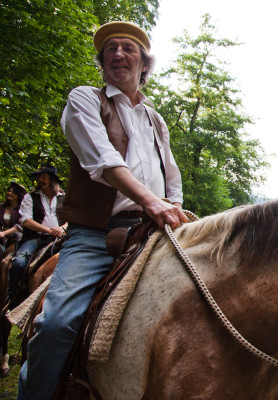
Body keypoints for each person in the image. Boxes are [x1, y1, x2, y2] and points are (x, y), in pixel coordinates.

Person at [17, 21, 187, 400]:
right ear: (102, 62)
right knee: (57, 323)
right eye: (110, 49)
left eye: (128, 48)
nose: (118, 54)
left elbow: (171, 175)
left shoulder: (155, 119)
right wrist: (152, 202)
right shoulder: (84, 99)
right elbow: (104, 161)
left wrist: (174, 207)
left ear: (145, 64)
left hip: (153, 233)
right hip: (95, 235)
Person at [8, 164, 67, 306]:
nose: (40, 179)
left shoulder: (64, 198)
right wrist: (48, 230)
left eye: (43, 176)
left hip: (61, 237)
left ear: (53, 179)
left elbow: (71, 220)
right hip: (37, 238)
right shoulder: (30, 197)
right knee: (18, 263)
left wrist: (63, 229)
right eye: (38, 176)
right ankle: (13, 302)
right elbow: (26, 221)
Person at [0, 182, 27, 254]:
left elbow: (20, 225)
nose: (10, 193)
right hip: (2, 234)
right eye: (9, 191)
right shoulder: (2, 206)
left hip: (16, 236)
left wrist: (3, 233)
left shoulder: (22, 208)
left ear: (18, 195)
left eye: (13, 192)